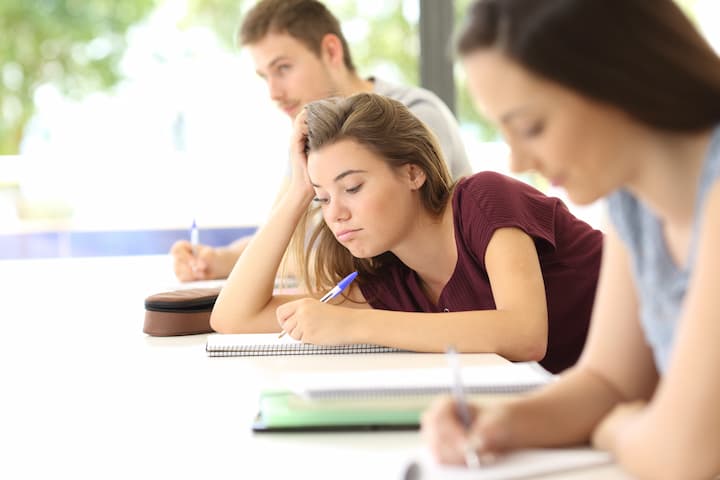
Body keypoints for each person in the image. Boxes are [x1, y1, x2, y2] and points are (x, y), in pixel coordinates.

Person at [420, 0, 720, 478]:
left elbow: (685, 455)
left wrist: (615, 430)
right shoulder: (632, 198)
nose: (516, 161)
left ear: (618, 79)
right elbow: (609, 381)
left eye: (531, 127)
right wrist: (505, 422)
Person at [210, 92, 602, 374]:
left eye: (353, 188)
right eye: (323, 199)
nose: (337, 214)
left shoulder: (483, 200)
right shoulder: (392, 280)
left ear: (413, 172)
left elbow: (525, 334)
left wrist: (350, 324)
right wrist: (298, 192)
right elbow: (233, 317)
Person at [170, 0, 472, 282]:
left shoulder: (415, 115)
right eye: (265, 77)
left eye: (283, 68)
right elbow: (285, 235)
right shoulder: (315, 137)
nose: (273, 93)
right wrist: (220, 259)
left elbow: (367, 258)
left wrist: (275, 261)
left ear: (331, 51)